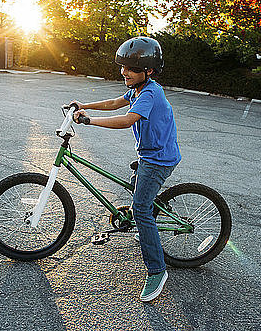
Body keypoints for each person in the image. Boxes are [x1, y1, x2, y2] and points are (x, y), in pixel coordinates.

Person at [71, 36, 181, 302]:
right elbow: (115, 103)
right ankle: (145, 223)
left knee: (141, 209)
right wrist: (84, 104)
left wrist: (89, 121)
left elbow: (128, 119)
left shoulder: (151, 92)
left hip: (158, 160)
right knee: (138, 196)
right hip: (149, 154)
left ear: (149, 71)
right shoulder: (136, 89)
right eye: (123, 67)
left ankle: (157, 270)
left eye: (131, 69)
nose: (124, 72)